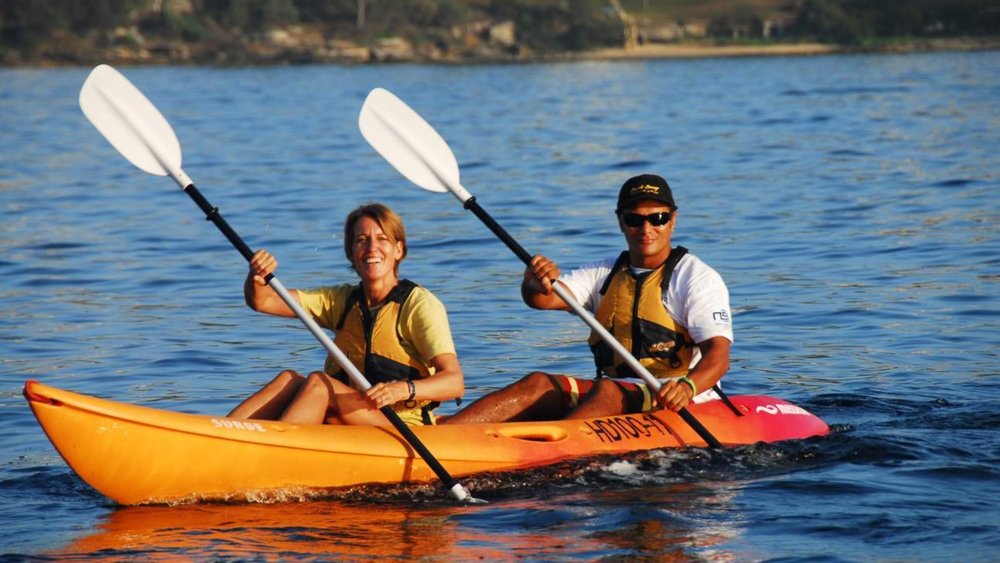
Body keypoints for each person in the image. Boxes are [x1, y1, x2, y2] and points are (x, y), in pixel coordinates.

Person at [445, 174, 732, 423]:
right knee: (539, 383)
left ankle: (553, 451)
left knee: (608, 390)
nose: (646, 229)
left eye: (657, 218)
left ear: (673, 220)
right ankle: (443, 436)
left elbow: (718, 356)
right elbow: (544, 300)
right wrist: (534, 284)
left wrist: (687, 387)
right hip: (616, 390)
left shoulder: (697, 277)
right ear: (620, 222)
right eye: (634, 219)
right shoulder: (603, 272)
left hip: (674, 395)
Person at [228, 203, 464, 427]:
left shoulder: (419, 305)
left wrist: (402, 389)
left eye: (382, 239)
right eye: (362, 240)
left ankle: (270, 453)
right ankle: (225, 434)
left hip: (403, 427)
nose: (371, 248)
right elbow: (264, 300)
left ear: (398, 250)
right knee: (289, 380)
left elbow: (454, 382)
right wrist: (257, 277)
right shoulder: (341, 301)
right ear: (351, 252)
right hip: (352, 417)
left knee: (320, 384)